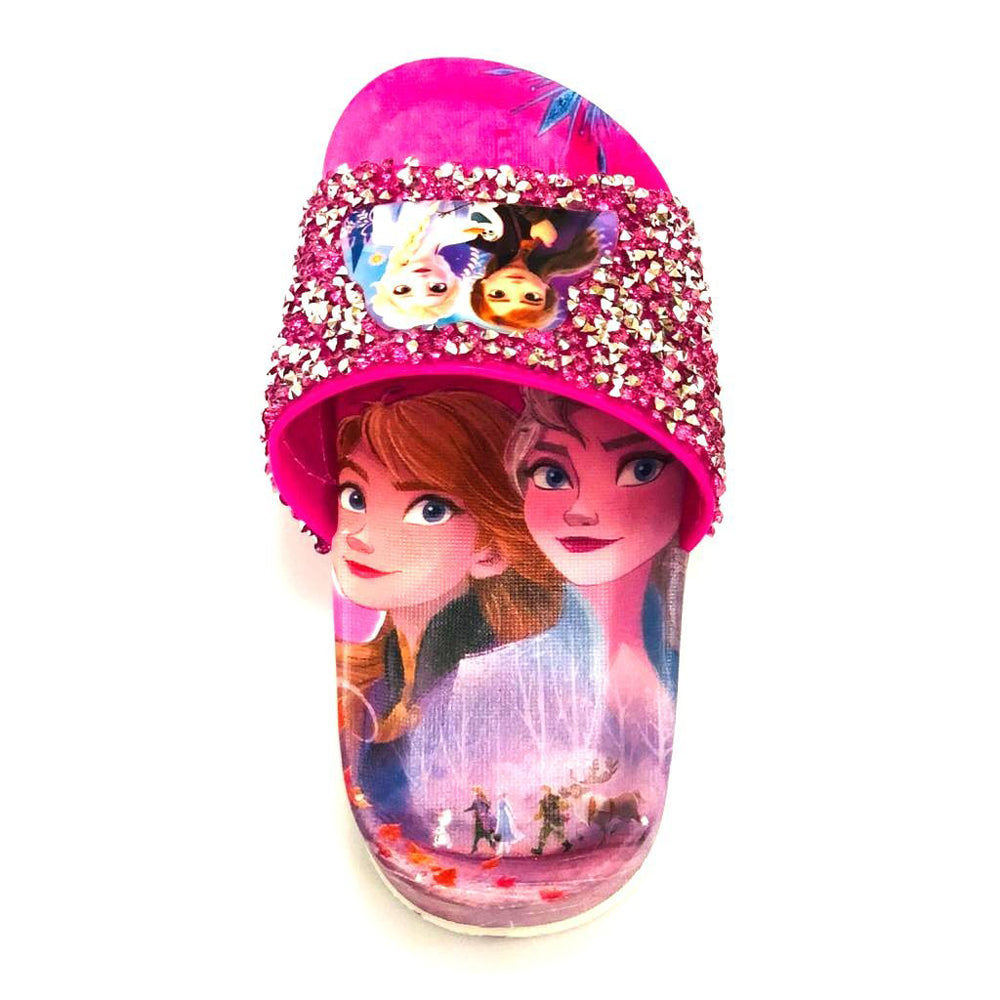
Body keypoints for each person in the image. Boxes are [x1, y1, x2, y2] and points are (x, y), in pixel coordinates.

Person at [334, 390, 562, 826]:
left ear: (492, 550)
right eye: (354, 497)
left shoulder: (496, 685)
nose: (361, 536)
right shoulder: (377, 674)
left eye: (430, 510)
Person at [468, 206, 604, 331]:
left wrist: (537, 219)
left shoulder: (478, 238)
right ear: (547, 290)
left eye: (499, 294)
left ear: (482, 284)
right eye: (531, 296)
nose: (516, 286)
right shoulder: (568, 252)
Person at [532, 785, 572, 855]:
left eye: (545, 790)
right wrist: (537, 817)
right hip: (547, 821)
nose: (543, 792)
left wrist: (563, 806)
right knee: (543, 834)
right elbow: (541, 812)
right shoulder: (542, 801)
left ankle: (568, 845)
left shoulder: (555, 798)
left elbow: (562, 805)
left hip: (556, 820)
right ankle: (539, 850)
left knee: (559, 836)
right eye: (542, 790)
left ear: (549, 790)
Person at [464, 787, 496, 854]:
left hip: (484, 819)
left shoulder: (483, 800)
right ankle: (474, 848)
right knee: (477, 834)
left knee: (486, 834)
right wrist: (466, 810)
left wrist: (485, 803)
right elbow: (473, 807)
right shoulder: (475, 801)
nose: (474, 793)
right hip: (478, 819)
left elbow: (489, 806)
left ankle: (492, 846)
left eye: (475, 792)